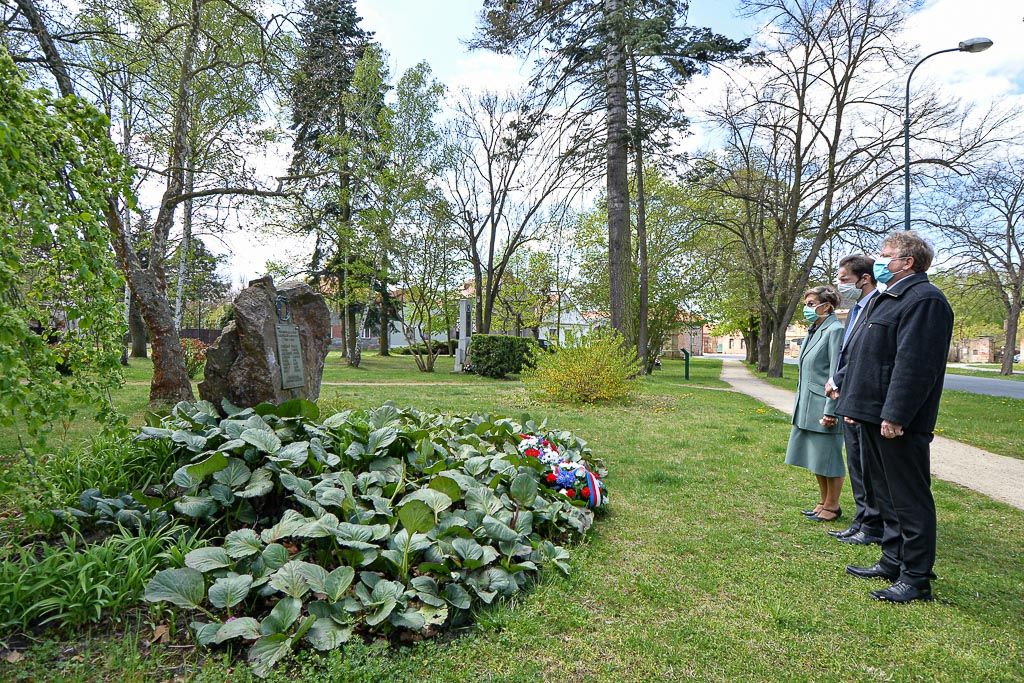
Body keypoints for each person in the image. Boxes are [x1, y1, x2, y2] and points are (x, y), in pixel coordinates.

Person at [836, 231, 953, 604]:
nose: (880, 260)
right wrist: (855, 407)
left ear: (909, 262)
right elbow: (866, 356)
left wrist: (896, 414)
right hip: (871, 412)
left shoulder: (925, 300)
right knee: (884, 492)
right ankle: (892, 558)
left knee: (908, 497)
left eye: (886, 255)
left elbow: (915, 365)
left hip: (896, 419)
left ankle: (916, 577)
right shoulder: (888, 299)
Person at [824, 255, 883, 546]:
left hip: (864, 397)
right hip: (848, 395)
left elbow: (865, 355)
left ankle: (872, 524)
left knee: (868, 466)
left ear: (865, 279)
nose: (840, 286)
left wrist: (838, 379)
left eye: (844, 279)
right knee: (856, 463)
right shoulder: (857, 309)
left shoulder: (878, 306)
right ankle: (861, 520)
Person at [785, 286, 845, 522]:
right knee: (816, 457)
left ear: (826, 306)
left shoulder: (835, 331)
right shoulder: (814, 330)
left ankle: (833, 506)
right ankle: (822, 501)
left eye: (811, 304)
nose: (806, 308)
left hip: (824, 405)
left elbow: (835, 375)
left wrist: (831, 410)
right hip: (807, 404)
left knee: (829, 457)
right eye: (806, 303)